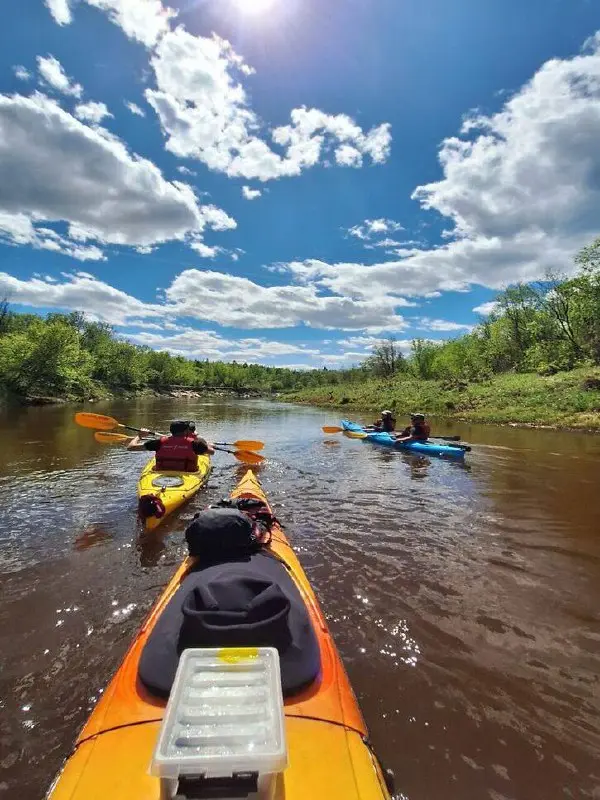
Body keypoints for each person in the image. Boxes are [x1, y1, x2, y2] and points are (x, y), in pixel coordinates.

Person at [127, 420, 215, 472]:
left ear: (171, 431)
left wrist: (139, 436)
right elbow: (212, 452)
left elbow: (130, 447)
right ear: (186, 431)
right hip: (188, 473)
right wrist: (208, 445)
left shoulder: (158, 442)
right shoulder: (195, 443)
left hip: (161, 473)